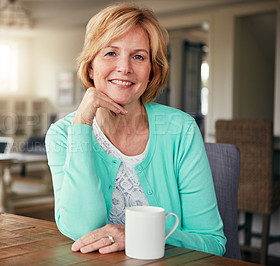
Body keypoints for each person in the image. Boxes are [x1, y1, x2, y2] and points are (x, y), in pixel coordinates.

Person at [45, 3, 226, 256]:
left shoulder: (180, 130)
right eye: (110, 53)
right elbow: (80, 229)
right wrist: (82, 126)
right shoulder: (63, 134)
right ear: (90, 67)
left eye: (138, 56)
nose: (125, 68)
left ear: (152, 72)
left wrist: (137, 235)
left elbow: (213, 243)